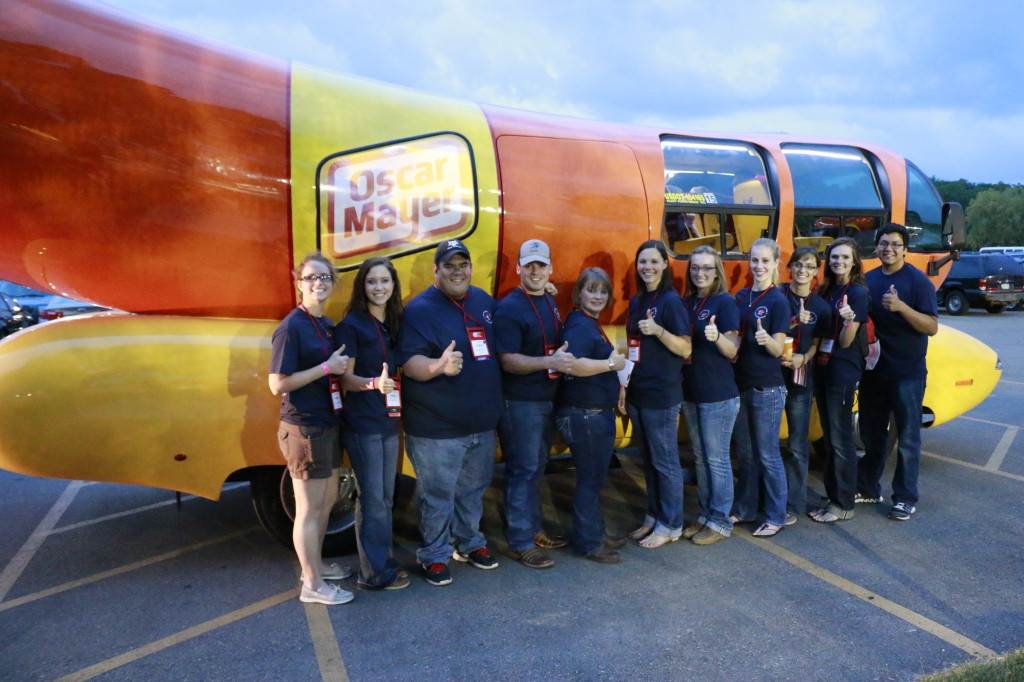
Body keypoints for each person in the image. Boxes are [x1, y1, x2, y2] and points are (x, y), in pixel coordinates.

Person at [397, 239, 503, 585]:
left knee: (472, 491)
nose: (457, 272)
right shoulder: (419, 310)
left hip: (481, 424)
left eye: (463, 265)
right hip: (435, 427)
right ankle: (434, 554)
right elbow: (409, 363)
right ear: (436, 271)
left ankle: (469, 543)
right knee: (437, 496)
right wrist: (438, 366)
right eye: (450, 266)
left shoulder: (484, 302)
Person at [268, 252, 355, 606]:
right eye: (311, 278)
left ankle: (315, 568)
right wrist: (327, 367)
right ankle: (313, 586)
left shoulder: (325, 323)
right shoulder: (292, 327)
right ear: (299, 282)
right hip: (304, 427)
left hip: (326, 424)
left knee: (328, 502)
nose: (318, 283)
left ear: (333, 284)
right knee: (308, 509)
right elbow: (278, 384)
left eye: (324, 278)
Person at [495, 239, 575, 570]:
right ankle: (521, 542)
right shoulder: (511, 308)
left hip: (543, 401)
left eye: (541, 265)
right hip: (520, 403)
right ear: (518, 269)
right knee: (522, 471)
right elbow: (508, 360)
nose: (535, 271)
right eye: (529, 265)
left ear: (550, 269)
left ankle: (534, 530)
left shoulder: (547, 299)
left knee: (535, 469)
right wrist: (548, 361)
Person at [857, 223, 938, 521]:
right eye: (883, 243)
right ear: (876, 247)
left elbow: (932, 326)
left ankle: (904, 497)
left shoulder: (918, 282)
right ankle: (867, 487)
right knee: (872, 436)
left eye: (895, 244)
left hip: (907, 373)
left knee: (907, 439)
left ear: (905, 248)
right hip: (874, 372)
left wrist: (902, 307)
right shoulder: (869, 279)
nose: (888, 248)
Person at [339, 257, 410, 591]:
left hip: (388, 422)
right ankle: (373, 574)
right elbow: (345, 379)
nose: (379, 287)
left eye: (384, 281)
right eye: (371, 281)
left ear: (393, 285)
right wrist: (372, 384)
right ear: (362, 286)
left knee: (386, 497)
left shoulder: (395, 320)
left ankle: (385, 563)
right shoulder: (353, 324)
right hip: (363, 423)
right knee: (373, 499)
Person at [556, 268, 628, 563]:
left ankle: (595, 533)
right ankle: (588, 543)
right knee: (589, 480)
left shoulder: (587, 323)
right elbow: (571, 365)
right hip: (585, 415)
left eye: (602, 291)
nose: (597, 296)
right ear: (579, 294)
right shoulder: (580, 326)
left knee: (595, 479)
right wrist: (611, 366)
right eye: (591, 290)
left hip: (592, 412)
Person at [624, 240, 692, 548]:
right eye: (642, 262)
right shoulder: (638, 300)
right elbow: (633, 350)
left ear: (665, 264)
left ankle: (672, 524)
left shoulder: (669, 301)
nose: (647, 267)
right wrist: (625, 385)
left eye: (653, 261)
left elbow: (685, 347)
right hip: (639, 391)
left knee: (665, 463)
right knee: (649, 461)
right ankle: (654, 516)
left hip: (662, 394)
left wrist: (659, 331)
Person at [680, 246, 741, 546]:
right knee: (702, 459)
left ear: (717, 271)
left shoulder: (724, 302)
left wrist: (718, 338)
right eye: (695, 268)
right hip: (691, 393)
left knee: (717, 460)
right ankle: (705, 515)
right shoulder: (687, 301)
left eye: (706, 268)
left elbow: (733, 348)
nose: (700, 273)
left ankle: (720, 522)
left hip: (717, 395)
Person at [730, 237, 790, 537]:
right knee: (746, 453)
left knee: (768, 454)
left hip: (767, 388)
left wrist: (768, 342)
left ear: (775, 263)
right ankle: (744, 509)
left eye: (765, 261)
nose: (759, 266)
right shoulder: (741, 296)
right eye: (755, 260)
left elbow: (781, 349)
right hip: (742, 385)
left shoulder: (778, 300)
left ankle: (777, 515)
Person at [806, 238, 867, 523]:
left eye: (844, 257)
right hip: (823, 368)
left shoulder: (857, 293)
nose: (838, 262)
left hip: (842, 372)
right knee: (830, 440)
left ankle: (844, 504)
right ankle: (832, 499)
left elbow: (845, 340)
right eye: (834, 257)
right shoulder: (828, 289)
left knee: (841, 441)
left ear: (854, 261)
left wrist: (848, 320)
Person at [780, 246, 832, 525]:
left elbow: (817, 343)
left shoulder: (820, 307)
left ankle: (793, 504)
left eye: (809, 266)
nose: (803, 270)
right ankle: (770, 498)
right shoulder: (777, 295)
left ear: (815, 273)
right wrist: (791, 321)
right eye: (798, 264)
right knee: (764, 443)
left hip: (801, 381)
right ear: (789, 267)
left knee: (798, 446)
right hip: (773, 378)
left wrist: (804, 357)